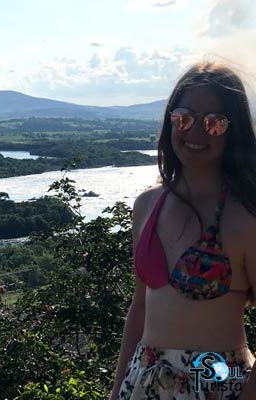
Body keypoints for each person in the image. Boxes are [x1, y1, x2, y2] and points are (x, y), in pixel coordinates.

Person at [109, 61, 256, 399]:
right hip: (144, 378)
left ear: (233, 131)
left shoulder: (245, 218)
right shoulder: (147, 206)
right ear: (170, 119)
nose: (195, 132)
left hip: (217, 378)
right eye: (184, 118)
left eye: (214, 123)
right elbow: (141, 307)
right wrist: (118, 389)